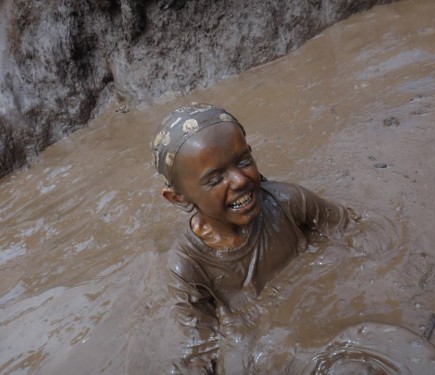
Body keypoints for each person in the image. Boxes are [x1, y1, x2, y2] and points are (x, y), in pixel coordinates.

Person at [150, 103, 360, 374]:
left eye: (244, 161)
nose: (239, 180)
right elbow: (200, 347)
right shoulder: (188, 268)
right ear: (177, 197)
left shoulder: (289, 202)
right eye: (215, 179)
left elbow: (353, 230)